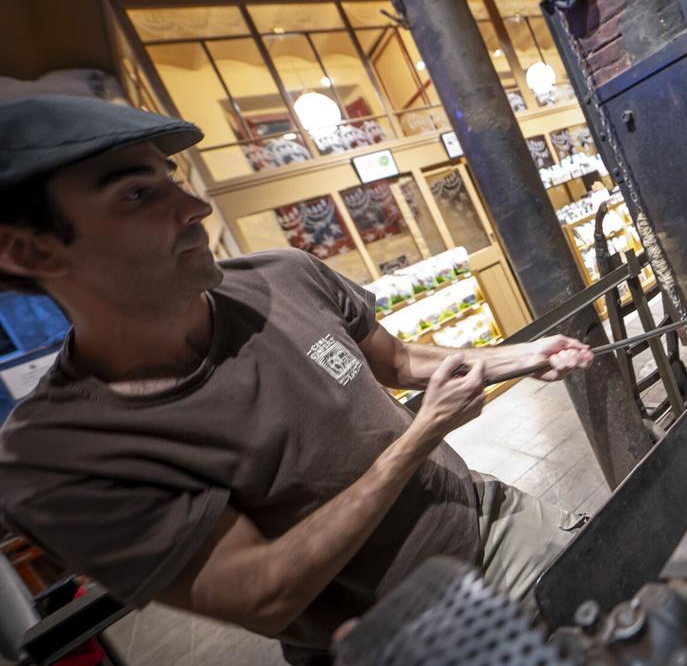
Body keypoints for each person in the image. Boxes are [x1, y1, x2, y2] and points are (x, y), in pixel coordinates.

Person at [0, 96, 594, 664]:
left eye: (172, 177)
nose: (195, 207)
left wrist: (521, 355)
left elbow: (398, 360)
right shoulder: (59, 454)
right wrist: (419, 437)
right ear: (28, 252)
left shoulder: (284, 275)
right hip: (403, 636)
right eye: (136, 194)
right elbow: (264, 593)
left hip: (496, 520)